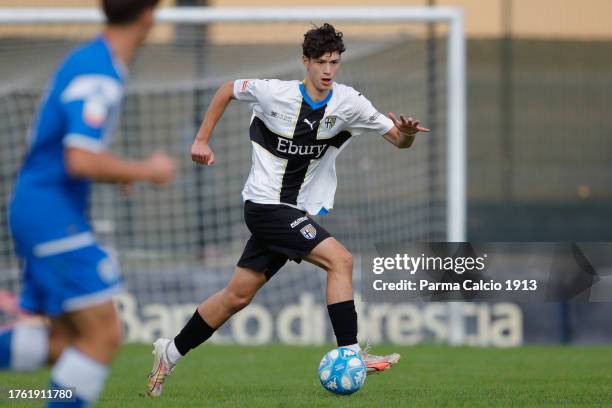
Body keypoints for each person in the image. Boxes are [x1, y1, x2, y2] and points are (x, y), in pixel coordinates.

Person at [148, 23, 429, 397]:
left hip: (292, 212)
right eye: (321, 62)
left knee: (237, 296)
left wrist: (406, 132)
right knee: (341, 260)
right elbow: (227, 89)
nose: (328, 70)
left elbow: (398, 141)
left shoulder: (349, 103)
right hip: (264, 206)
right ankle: (350, 353)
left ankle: (170, 351)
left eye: (334, 62)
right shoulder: (273, 93)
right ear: (305, 62)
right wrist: (201, 139)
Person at [2, 1, 176, 406]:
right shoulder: (101, 71)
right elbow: (78, 158)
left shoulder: (89, 59)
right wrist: (146, 169)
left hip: (40, 208)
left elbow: (73, 151)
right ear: (150, 14)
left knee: (64, 342)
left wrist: (119, 173)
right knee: (103, 333)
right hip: (51, 214)